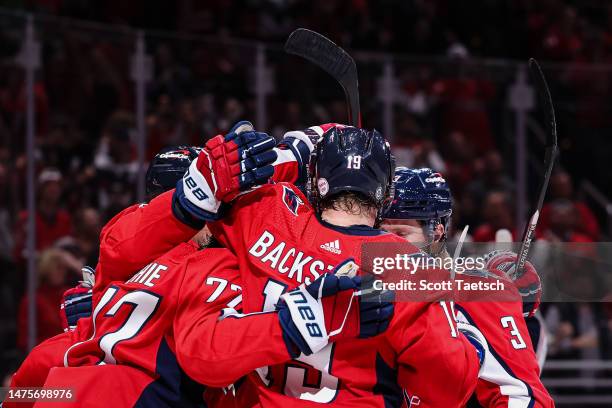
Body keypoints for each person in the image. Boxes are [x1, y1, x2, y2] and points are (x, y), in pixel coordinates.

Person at [169, 122, 482, 406]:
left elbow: (215, 201)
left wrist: (287, 157)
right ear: (386, 193)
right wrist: (463, 337)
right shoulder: (406, 265)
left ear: (315, 179)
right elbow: (447, 388)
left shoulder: (265, 213)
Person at [380, 167, 554, 407]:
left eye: (401, 233)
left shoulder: (479, 294)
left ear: (436, 232)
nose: (387, 246)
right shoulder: (360, 287)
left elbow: (523, 397)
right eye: (378, 233)